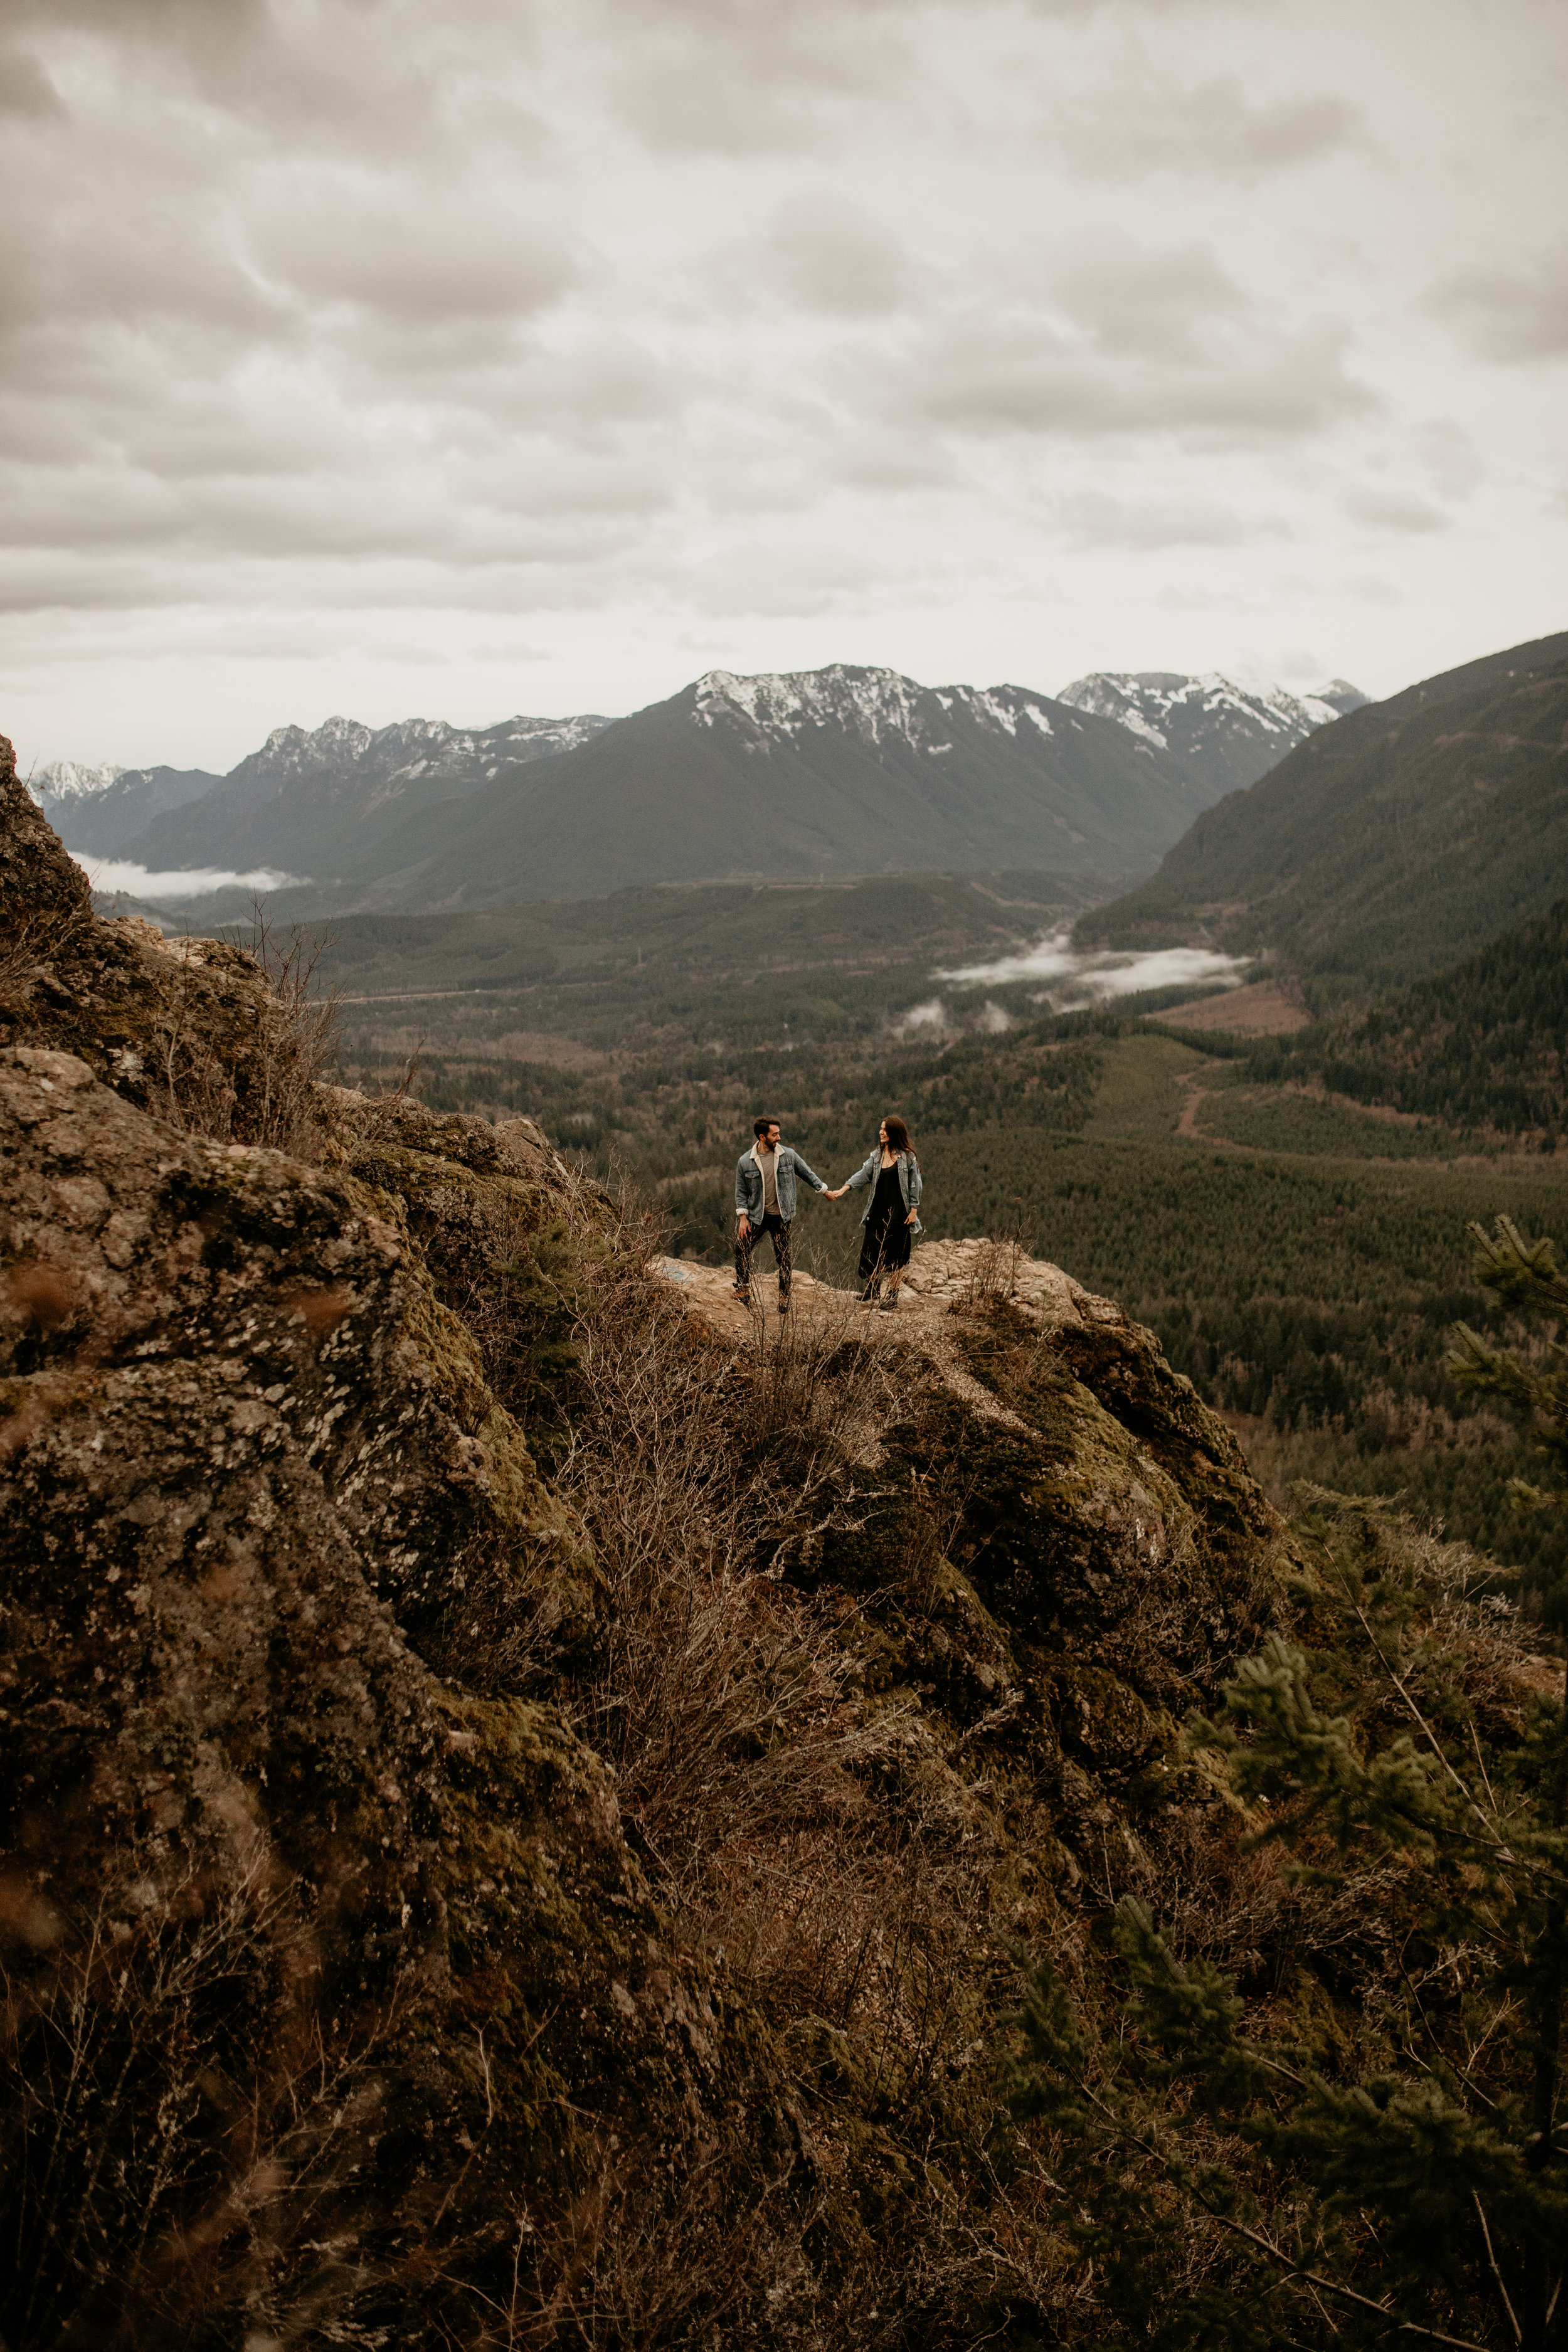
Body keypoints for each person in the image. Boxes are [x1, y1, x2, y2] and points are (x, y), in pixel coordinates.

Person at [734, 1116, 829, 1313]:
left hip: (781, 1216)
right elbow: (741, 1191)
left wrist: (825, 1191)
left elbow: (807, 1174)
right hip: (757, 1216)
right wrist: (743, 1218)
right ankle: (743, 1291)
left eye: (778, 1133)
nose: (779, 1137)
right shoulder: (745, 1162)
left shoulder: (789, 1155)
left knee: (784, 1257)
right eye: (774, 1134)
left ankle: (784, 1297)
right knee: (741, 1248)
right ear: (762, 1137)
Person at [827, 1116, 922, 1309]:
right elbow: (863, 1174)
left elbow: (915, 1184)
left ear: (894, 1133)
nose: (880, 1132)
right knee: (871, 1251)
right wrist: (844, 1189)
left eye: (885, 1130)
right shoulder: (877, 1155)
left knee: (898, 1257)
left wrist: (913, 1210)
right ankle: (872, 1289)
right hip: (877, 1212)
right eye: (881, 1129)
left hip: (900, 1213)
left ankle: (893, 1297)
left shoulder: (908, 1157)